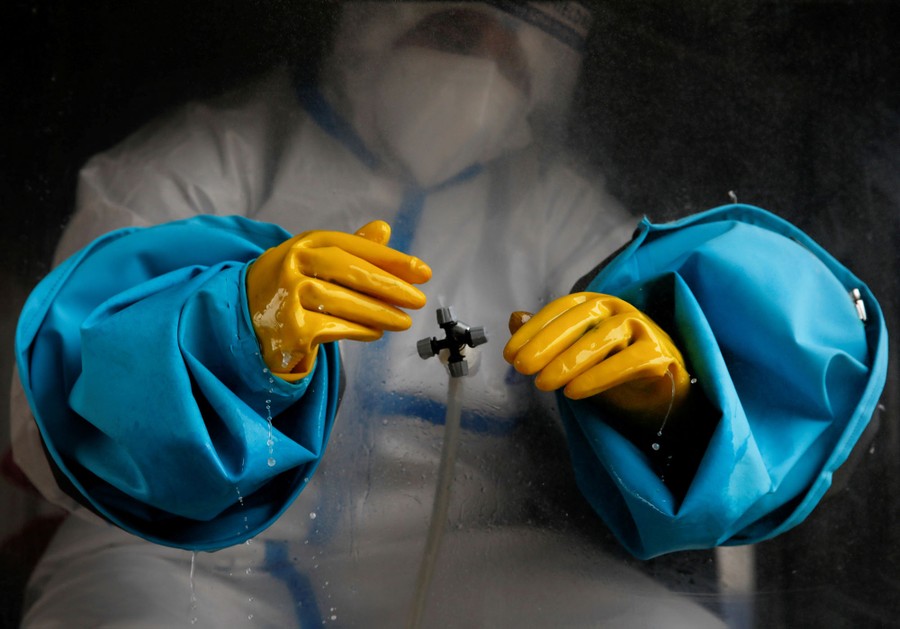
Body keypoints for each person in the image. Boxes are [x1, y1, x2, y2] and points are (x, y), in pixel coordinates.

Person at [11, 2, 731, 627]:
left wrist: (666, 403)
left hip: (466, 552)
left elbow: (683, 357)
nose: (478, 56)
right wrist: (222, 332)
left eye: (506, 39)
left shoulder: (557, 208)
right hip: (180, 551)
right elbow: (55, 399)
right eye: (451, 30)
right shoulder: (212, 156)